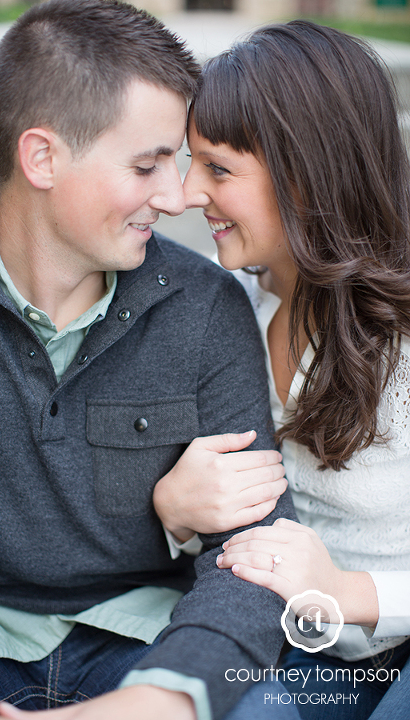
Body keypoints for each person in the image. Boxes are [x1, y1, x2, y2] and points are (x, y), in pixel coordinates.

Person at [0, 2, 295, 720]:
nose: (174, 196)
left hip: (145, 637)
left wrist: (163, 699)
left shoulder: (205, 306)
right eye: (146, 165)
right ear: (42, 157)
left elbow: (255, 552)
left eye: (177, 161)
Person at [171, 19, 410, 719]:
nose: (187, 194)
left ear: (306, 176)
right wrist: (174, 515)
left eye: (217, 168)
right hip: (294, 649)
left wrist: (348, 591)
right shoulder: (228, 312)